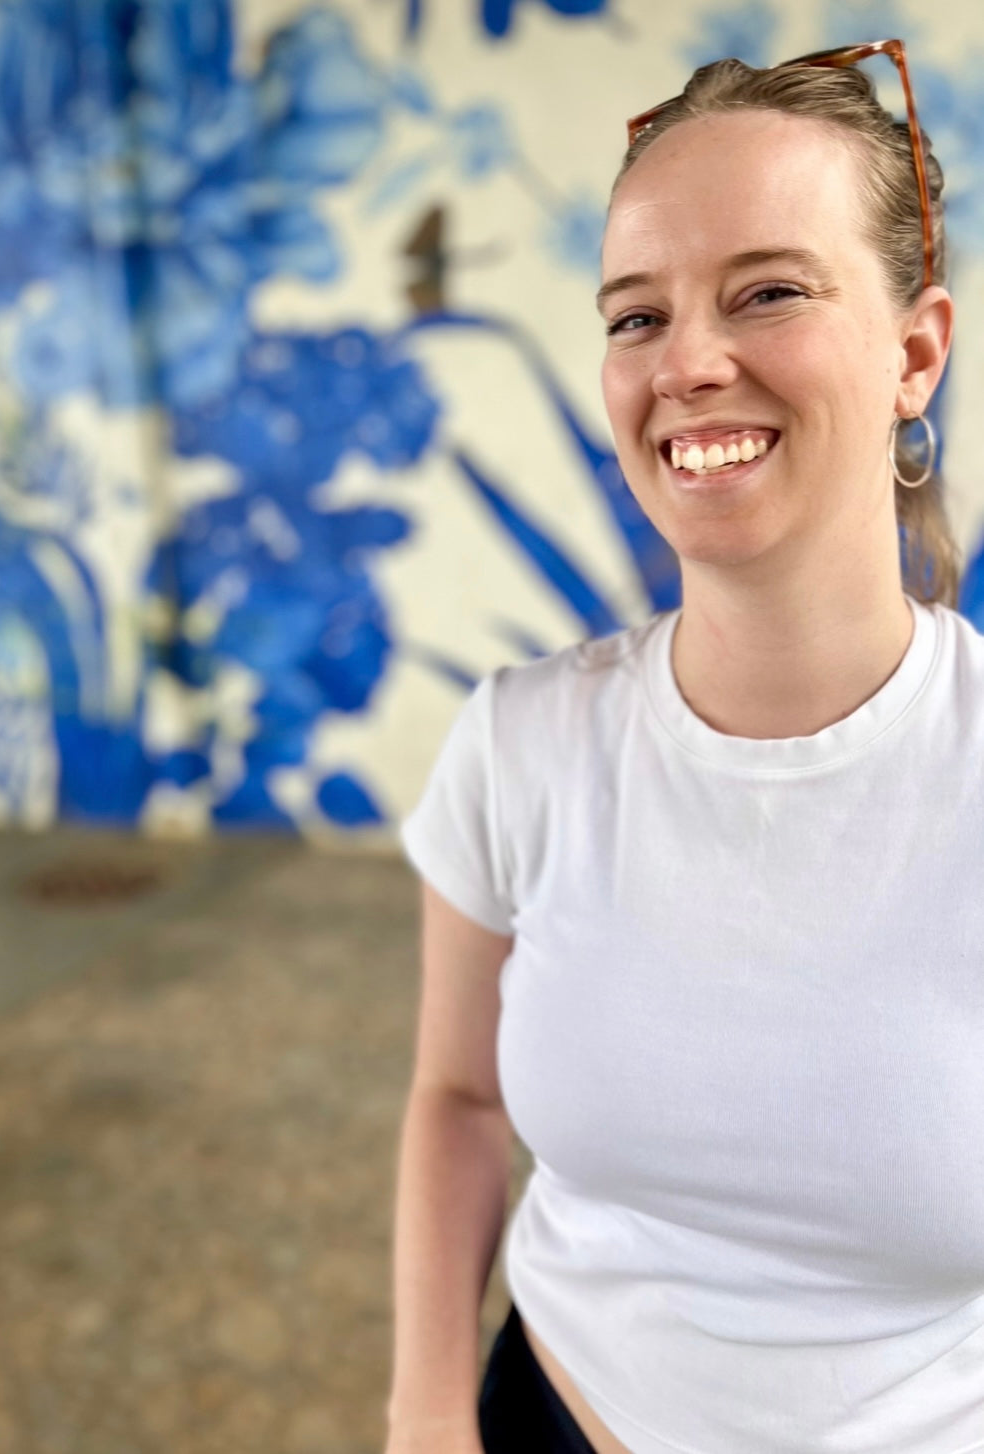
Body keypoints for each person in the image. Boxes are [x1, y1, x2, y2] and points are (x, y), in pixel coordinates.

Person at [384, 38, 984, 1454]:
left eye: (765, 291)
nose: (687, 364)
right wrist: (422, 1415)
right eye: (633, 315)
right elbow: (457, 1097)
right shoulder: (521, 743)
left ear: (914, 351)